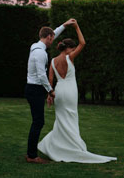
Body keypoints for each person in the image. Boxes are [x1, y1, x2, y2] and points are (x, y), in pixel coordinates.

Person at [38, 20, 117, 163]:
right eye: (72, 48)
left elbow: (50, 80)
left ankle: (59, 147)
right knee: (72, 119)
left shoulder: (53, 61)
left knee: (61, 120)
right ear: (67, 48)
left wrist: (49, 95)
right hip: (70, 92)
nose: (74, 50)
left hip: (58, 92)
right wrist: (76, 27)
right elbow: (83, 43)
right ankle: (72, 147)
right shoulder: (70, 58)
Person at [25, 18, 76, 164]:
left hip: (33, 88)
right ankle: (32, 156)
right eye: (52, 38)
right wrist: (50, 91)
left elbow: (53, 33)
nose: (54, 40)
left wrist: (64, 26)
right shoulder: (40, 53)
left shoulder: (35, 46)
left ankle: (31, 153)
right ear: (48, 37)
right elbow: (41, 75)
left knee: (38, 122)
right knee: (38, 122)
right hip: (35, 89)